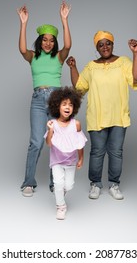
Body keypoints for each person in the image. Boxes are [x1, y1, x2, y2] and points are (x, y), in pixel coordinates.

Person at [66, 30, 137, 200]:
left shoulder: (123, 62)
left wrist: (135, 53)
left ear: (112, 44)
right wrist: (73, 67)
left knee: (116, 152)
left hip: (118, 116)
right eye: (100, 45)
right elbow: (79, 87)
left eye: (107, 43)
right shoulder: (91, 67)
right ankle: (95, 184)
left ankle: (114, 184)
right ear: (97, 48)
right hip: (97, 116)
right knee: (97, 152)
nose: (105, 47)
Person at [17, 1, 72, 197]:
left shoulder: (59, 57)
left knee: (56, 142)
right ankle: (28, 182)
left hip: (56, 100)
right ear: (39, 41)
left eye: (51, 40)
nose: (48, 43)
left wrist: (64, 20)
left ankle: (55, 183)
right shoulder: (33, 57)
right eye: (44, 40)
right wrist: (23, 23)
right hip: (38, 101)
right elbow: (22, 49)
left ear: (54, 42)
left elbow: (68, 45)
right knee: (36, 142)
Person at [45, 86, 87, 220]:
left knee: (68, 185)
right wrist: (51, 130)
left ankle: (60, 193)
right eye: (64, 104)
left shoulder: (76, 124)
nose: (67, 107)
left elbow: (80, 143)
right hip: (56, 161)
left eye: (70, 104)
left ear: (74, 108)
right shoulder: (53, 124)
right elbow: (48, 143)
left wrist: (81, 159)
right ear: (57, 106)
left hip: (70, 162)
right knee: (58, 184)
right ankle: (61, 206)